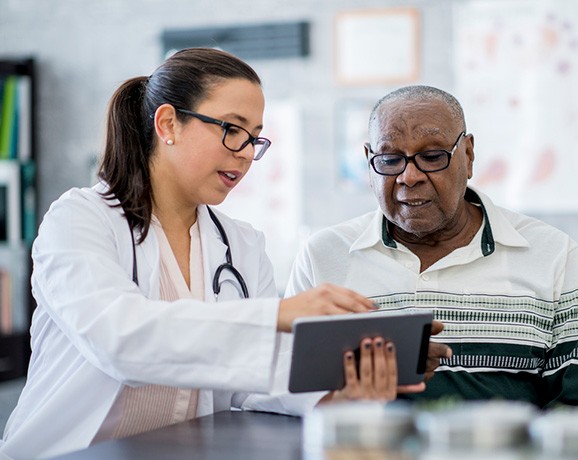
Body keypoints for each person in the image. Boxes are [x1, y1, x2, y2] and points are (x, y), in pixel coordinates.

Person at [0, 48, 420, 459]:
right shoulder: (79, 219)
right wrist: (274, 316)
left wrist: (340, 387)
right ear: (169, 124)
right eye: (232, 129)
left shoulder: (241, 244)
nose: (245, 153)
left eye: (254, 138)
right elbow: (119, 339)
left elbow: (252, 377)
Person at [286, 85, 578, 408]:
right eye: (389, 159)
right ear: (369, 161)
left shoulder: (553, 255)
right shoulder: (323, 256)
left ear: (469, 155)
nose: (409, 176)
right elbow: (283, 397)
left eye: (431, 157)